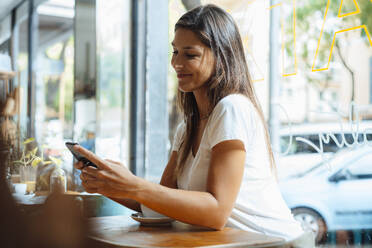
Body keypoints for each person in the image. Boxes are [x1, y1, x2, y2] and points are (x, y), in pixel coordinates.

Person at [74, 4, 314, 245]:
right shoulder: (187, 128)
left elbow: (217, 212)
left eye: (190, 54)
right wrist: (110, 183)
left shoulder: (232, 108)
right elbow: (162, 206)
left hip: (276, 243)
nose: (177, 63)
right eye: (175, 52)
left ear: (221, 56)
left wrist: (133, 184)